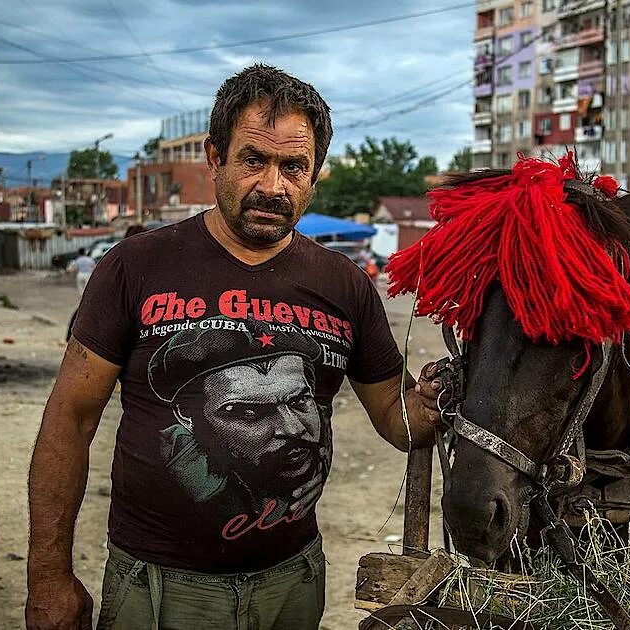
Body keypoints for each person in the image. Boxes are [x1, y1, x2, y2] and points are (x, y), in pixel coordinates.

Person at [26, 65, 443, 630]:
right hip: (157, 589)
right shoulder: (136, 268)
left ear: (314, 175)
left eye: (294, 166)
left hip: (291, 587)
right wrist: (47, 575)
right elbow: (69, 421)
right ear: (214, 157)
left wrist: (446, 392)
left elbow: (400, 420)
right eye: (254, 160)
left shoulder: (344, 285)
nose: (273, 186)